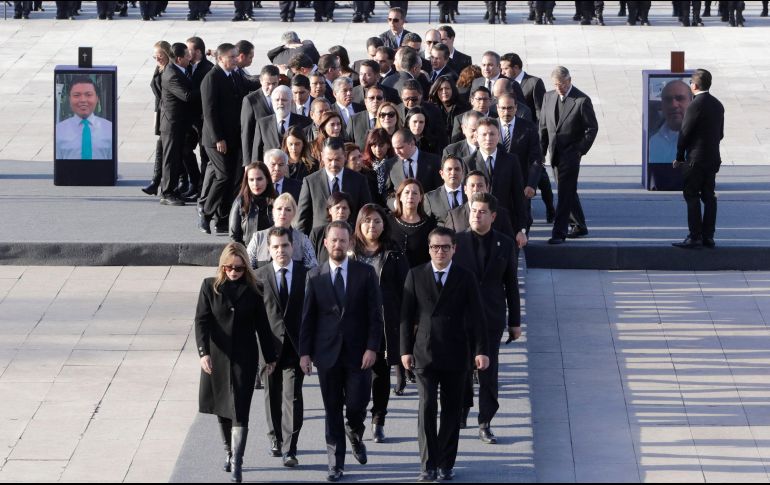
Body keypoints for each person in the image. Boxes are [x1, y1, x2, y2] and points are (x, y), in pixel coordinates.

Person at [400, 226, 489, 482]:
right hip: (425, 352)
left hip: (456, 351)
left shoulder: (465, 276)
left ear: (454, 249)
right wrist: (404, 350)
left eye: (445, 247)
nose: (440, 252)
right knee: (427, 406)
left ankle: (445, 463)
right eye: (435, 247)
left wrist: (481, 351)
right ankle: (427, 464)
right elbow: (406, 316)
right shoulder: (416, 274)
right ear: (429, 249)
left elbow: (478, 317)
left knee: (451, 410)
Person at [299, 220, 385, 482]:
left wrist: (372, 347)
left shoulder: (365, 273)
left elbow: (375, 315)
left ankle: (355, 431)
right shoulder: (315, 276)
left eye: (343, 240)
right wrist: (305, 353)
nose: (338, 245)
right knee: (332, 409)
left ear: (350, 243)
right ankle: (335, 464)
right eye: (334, 240)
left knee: (357, 404)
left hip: (359, 354)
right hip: (327, 354)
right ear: (326, 243)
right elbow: (308, 318)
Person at [194, 242, 277, 483]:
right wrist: (203, 353)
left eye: (239, 268)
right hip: (216, 357)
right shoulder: (209, 287)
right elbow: (201, 322)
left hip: (244, 358)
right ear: (222, 266)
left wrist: (270, 357)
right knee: (221, 406)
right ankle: (229, 452)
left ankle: (238, 463)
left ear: (246, 268)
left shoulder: (254, 289)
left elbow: (263, 326)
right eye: (229, 267)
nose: (233, 272)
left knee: (240, 409)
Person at [453, 192, 525, 444]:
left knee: (488, 371)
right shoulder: (456, 242)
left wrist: (515, 322)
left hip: (491, 317)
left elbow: (511, 284)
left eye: (482, 212)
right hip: (461, 316)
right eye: (474, 211)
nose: (477, 215)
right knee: (462, 368)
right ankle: (462, 410)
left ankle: (485, 421)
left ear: (493, 216)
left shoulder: (505, 243)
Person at [350, 204, 409, 444]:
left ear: (384, 225)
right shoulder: (349, 251)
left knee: (380, 374)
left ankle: (378, 419)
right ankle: (356, 419)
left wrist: (407, 322)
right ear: (359, 224)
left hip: (384, 322)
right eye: (367, 221)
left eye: (377, 221)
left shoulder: (393, 253)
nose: (371, 226)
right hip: (354, 323)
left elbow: (405, 290)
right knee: (355, 374)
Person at [254, 227, 308, 467]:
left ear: (292, 247)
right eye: (275, 247)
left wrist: (308, 351)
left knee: (293, 398)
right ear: (269, 249)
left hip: (296, 348)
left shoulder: (306, 275)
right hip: (269, 349)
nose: (280, 250)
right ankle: (275, 438)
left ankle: (290, 448)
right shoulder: (258, 277)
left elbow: (311, 315)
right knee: (272, 396)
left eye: (284, 245)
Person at [539, 66, 599, 244]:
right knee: (568, 190)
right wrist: (540, 153)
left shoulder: (581, 100)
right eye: (556, 85)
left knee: (564, 193)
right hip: (555, 154)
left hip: (571, 155)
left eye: (563, 84)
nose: (560, 88)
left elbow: (592, 128)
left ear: (569, 80)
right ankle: (580, 225)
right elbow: (543, 128)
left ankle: (559, 232)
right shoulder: (548, 97)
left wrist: (579, 150)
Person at [672, 69, 724, 249]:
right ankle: (708, 236)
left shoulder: (694, 105)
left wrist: (679, 156)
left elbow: (685, 132)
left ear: (694, 85)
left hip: (695, 159)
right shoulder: (718, 105)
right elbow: (720, 134)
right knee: (709, 196)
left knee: (691, 195)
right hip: (713, 158)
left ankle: (695, 236)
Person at [198, 43, 243, 235]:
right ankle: (206, 212)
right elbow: (209, 112)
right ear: (220, 58)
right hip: (216, 139)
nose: (235, 59)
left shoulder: (234, 75)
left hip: (233, 137)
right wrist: (218, 138)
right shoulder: (212, 78)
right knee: (223, 175)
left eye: (236, 56)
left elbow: (246, 87)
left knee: (230, 178)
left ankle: (222, 218)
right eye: (232, 57)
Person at [464, 118, 528, 233]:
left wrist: (522, 228)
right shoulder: (467, 163)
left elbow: (518, 196)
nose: (488, 138)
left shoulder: (511, 160)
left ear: (498, 136)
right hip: (476, 224)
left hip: (506, 223)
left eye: (492, 134)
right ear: (477, 136)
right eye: (484, 134)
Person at [297, 137, 373, 235]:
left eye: (338, 159)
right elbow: (302, 220)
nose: (333, 164)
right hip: (320, 239)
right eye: (329, 160)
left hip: (350, 238)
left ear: (345, 156)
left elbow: (366, 212)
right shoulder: (311, 182)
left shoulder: (359, 180)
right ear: (322, 156)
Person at [496, 94, 544, 231]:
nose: (506, 112)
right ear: (497, 108)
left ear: (516, 108)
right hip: (497, 184)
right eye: (503, 108)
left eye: (510, 108)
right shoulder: (490, 127)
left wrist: (531, 185)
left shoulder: (528, 128)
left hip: (521, 184)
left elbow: (536, 159)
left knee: (522, 219)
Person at [158, 43, 197, 207]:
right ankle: (167, 193)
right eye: (187, 55)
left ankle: (174, 190)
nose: (190, 57)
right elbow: (186, 96)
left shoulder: (180, 70)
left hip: (180, 124)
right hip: (172, 125)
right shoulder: (171, 74)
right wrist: (206, 89)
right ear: (179, 59)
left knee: (177, 158)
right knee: (170, 159)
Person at [247, 193, 318, 269]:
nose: (283, 213)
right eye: (279, 208)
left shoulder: (303, 240)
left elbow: (313, 269)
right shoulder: (258, 238)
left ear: (294, 213)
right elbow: (247, 267)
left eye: (288, 209)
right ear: (273, 211)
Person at [443, 170, 515, 238]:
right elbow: (447, 241)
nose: (476, 189)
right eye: (472, 185)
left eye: (480, 185)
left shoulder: (501, 214)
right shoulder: (454, 216)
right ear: (465, 189)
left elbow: (509, 242)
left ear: (487, 188)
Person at [250, 85, 311, 165]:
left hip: (297, 169)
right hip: (270, 170)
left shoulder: (305, 122)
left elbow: (309, 151)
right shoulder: (262, 124)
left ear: (292, 102)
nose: (280, 103)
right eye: (277, 100)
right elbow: (256, 154)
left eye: (284, 100)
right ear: (272, 102)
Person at [56, 77, 113, 160]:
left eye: (88, 95)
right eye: (76, 95)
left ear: (97, 98)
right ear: (69, 99)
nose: (83, 100)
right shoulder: (58, 130)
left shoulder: (110, 129)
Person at [142, 41, 172, 197]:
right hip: (162, 112)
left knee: (169, 149)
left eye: (159, 56)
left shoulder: (171, 70)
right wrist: (156, 114)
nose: (157, 59)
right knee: (161, 146)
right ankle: (155, 181)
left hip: (171, 115)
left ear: (167, 54)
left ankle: (158, 181)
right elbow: (157, 95)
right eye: (155, 56)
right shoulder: (159, 68)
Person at [388, 179, 437, 271]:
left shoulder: (430, 225)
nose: (410, 196)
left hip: (420, 275)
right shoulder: (387, 221)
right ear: (400, 196)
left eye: (415, 193)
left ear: (420, 198)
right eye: (407, 192)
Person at [385, 129, 442, 205]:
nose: (396, 152)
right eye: (394, 148)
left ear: (412, 143)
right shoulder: (391, 164)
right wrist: (395, 204)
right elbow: (388, 192)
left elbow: (440, 189)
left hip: (427, 209)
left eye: (400, 147)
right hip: (401, 210)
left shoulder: (434, 161)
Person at [241, 65, 279, 167]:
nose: (271, 87)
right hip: (260, 152)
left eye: (274, 83)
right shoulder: (250, 100)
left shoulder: (283, 97)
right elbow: (246, 133)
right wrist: (247, 163)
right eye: (268, 84)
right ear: (261, 81)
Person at [230, 162, 276, 246]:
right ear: (247, 181)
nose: (255, 184)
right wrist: (247, 252)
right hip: (248, 251)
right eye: (251, 180)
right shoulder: (240, 202)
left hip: (273, 251)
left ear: (267, 180)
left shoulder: (277, 201)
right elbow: (234, 237)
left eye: (259, 179)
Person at [649, 80, 693, 164]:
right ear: (662, 106)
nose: (673, 105)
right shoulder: (652, 143)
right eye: (668, 100)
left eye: (680, 98)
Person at [309, 191, 353, 266]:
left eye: (344, 208)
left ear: (349, 211)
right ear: (330, 210)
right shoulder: (317, 233)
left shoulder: (355, 234)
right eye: (337, 208)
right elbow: (309, 260)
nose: (341, 211)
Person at [423, 155, 466, 224]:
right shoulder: (430, 198)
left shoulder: (471, 193)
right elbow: (427, 225)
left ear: (462, 173)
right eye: (449, 169)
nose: (453, 172)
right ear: (442, 174)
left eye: (457, 169)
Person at [428, 75, 471, 143]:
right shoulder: (432, 109)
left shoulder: (464, 107)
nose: (444, 92)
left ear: (453, 89)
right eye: (440, 89)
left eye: (447, 88)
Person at [362, 128, 396, 208]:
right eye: (374, 146)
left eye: (381, 145)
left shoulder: (395, 163)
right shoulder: (365, 165)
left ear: (388, 145)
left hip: (391, 205)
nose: (378, 149)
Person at [347, 85, 385, 151]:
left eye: (379, 98)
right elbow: (348, 145)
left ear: (384, 101)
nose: (375, 101)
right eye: (371, 98)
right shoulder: (354, 120)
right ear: (365, 101)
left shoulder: (390, 117)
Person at [344, 142, 379, 208]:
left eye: (359, 156)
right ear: (345, 162)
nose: (359, 161)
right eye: (353, 159)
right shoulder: (341, 181)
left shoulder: (371, 175)